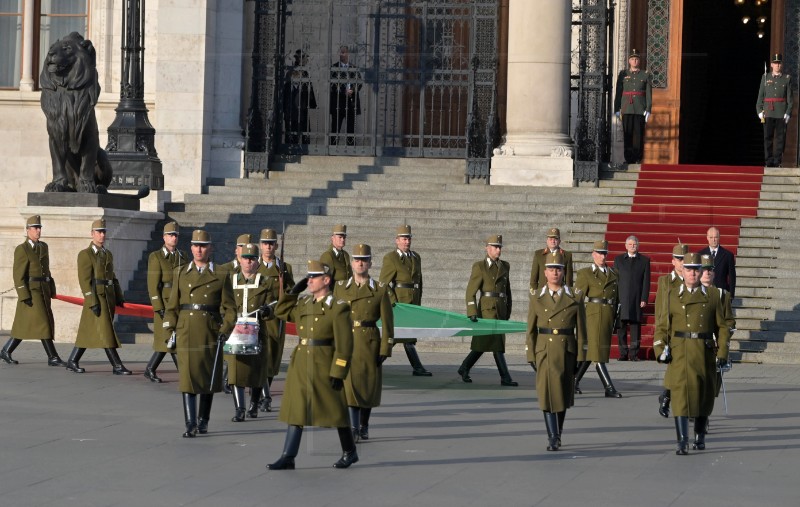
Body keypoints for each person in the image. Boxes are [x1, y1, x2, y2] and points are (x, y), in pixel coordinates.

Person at [268, 260, 358, 470]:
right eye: (308, 277)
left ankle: (350, 451)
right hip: (301, 364)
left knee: (336, 410)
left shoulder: (338, 308)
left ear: (326, 280)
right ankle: (288, 456)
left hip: (324, 364)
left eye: (313, 277)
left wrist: (339, 370)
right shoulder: (304, 304)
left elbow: (345, 345)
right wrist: (293, 291)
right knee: (296, 410)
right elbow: (281, 311)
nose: (309, 280)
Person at [652, 253, 730, 455]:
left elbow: (721, 327)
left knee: (704, 396)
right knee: (679, 396)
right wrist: (660, 349)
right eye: (689, 269)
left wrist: (722, 351)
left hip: (703, 351)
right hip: (680, 351)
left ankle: (699, 436)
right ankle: (681, 441)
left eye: (696, 269)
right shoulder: (672, 295)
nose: (693, 273)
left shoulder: (712, 296)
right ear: (683, 271)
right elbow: (662, 326)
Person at [162, 229, 235, 438]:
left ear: (210, 248)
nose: (199, 249)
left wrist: (225, 329)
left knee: (206, 378)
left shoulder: (221, 273)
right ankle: (190, 423)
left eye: (203, 245)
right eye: (195, 245)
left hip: (210, 331)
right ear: (191, 247)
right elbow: (172, 305)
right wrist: (169, 329)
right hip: (186, 330)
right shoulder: (180, 272)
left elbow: (230, 307)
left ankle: (204, 420)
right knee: (187, 377)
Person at [526, 251, 586, 451]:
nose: (555, 273)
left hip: (566, 350)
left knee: (562, 395)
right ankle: (552, 436)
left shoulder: (575, 297)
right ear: (545, 272)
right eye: (551, 269)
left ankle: (558, 432)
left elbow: (582, 330)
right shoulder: (536, 297)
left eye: (558, 269)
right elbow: (531, 329)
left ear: (563, 272)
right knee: (546, 394)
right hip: (544, 350)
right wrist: (530, 354)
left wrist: (581, 355)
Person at [333, 244, 393, 441]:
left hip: (369, 342)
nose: (360, 263)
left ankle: (363, 425)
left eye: (364, 260)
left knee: (368, 387)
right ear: (351, 263)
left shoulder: (380, 290)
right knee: (349, 386)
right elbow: (333, 317)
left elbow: (387, 321)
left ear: (370, 263)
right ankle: (353, 427)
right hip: (347, 341)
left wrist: (386, 346)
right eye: (357, 259)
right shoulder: (341, 288)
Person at [66, 218, 132, 375]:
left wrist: (119, 296)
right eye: (99, 232)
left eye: (104, 232)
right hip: (97, 298)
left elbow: (112, 277)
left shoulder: (107, 254)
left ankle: (72, 360)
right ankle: (117, 365)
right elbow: (85, 281)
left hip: (107, 297)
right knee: (106, 331)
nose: (102, 235)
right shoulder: (85, 254)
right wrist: (92, 300)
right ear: (92, 234)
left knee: (87, 332)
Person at [2, 215, 65, 366]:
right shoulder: (22, 249)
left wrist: (51, 289)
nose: (38, 231)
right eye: (35, 228)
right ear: (28, 230)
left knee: (25, 325)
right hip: (32, 291)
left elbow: (47, 270)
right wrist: (24, 294)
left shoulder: (43, 246)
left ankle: (6, 350)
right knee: (44, 322)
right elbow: (18, 275)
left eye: (39, 228)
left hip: (43, 290)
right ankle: (53, 357)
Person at [458, 234, 517, 387]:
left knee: (484, 344)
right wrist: (472, 311)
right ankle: (505, 377)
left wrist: (508, 309)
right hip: (486, 309)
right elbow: (470, 291)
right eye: (495, 247)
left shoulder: (505, 266)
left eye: (499, 247)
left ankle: (464, 367)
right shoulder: (480, 266)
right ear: (487, 248)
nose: (498, 250)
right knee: (496, 343)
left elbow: (508, 290)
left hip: (501, 309)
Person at [226, 243, 274, 422]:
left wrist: (267, 311)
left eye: (252, 258)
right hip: (236, 331)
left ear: (257, 261)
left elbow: (272, 305)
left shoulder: (265, 282)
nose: (248, 262)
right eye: (245, 258)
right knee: (235, 371)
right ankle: (239, 409)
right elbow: (225, 304)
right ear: (240, 259)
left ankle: (254, 404)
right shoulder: (230, 281)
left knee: (257, 371)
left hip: (258, 331)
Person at [379, 225, 432, 376]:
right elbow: (383, 283)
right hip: (399, 303)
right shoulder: (391, 258)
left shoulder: (416, 257)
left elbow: (419, 282)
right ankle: (374, 363)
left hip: (413, 302)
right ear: (397, 241)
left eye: (408, 238)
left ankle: (417, 367)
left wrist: (418, 302)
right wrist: (393, 300)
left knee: (407, 335)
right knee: (396, 336)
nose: (406, 242)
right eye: (403, 239)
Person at [574, 240, 622, 397]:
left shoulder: (614, 273)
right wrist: (577, 319)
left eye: (604, 253)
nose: (602, 256)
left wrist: (617, 318)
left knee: (593, 352)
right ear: (593, 254)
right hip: (593, 316)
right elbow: (578, 298)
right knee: (598, 354)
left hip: (608, 315)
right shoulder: (586, 273)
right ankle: (609, 387)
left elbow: (618, 299)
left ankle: (573, 381)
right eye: (599, 253)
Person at [144, 221, 188, 383]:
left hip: (179, 302)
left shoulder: (182, 256)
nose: (174, 238)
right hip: (165, 302)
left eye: (176, 235)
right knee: (168, 338)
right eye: (170, 235)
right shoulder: (156, 257)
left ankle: (150, 368)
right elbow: (153, 285)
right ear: (164, 237)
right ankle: (182, 372)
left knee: (171, 338)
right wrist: (158, 307)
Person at [257, 228, 295, 412]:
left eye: (271, 243)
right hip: (258, 318)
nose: (268, 247)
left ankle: (263, 393)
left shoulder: (284, 267)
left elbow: (291, 292)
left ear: (276, 246)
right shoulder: (254, 266)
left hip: (275, 319)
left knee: (272, 360)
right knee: (261, 358)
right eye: (265, 243)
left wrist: (284, 289)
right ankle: (265, 397)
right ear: (260, 245)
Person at [653, 243, 688, 417]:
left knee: (681, 369)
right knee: (676, 367)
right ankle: (667, 398)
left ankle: (667, 397)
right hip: (671, 329)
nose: (682, 263)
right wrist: (660, 330)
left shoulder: (691, 281)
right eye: (679, 259)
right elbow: (660, 307)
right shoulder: (666, 281)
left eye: (684, 259)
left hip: (686, 329)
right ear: (673, 261)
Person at [614, 235, 651, 361]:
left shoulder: (644, 261)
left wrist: (644, 298)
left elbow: (646, 282)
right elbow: (615, 280)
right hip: (622, 298)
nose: (632, 246)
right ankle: (623, 353)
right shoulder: (618, 260)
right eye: (630, 244)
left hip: (637, 299)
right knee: (621, 328)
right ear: (625, 246)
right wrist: (615, 298)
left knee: (635, 328)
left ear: (638, 245)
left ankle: (634, 354)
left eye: (634, 244)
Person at [614, 49, 653, 164]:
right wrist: (617, 109)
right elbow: (619, 92)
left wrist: (648, 109)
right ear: (629, 61)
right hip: (627, 107)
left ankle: (638, 158)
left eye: (636, 59)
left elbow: (649, 94)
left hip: (640, 108)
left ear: (639, 61)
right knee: (627, 133)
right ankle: (628, 157)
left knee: (639, 134)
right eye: (632, 59)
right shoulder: (623, 74)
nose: (634, 61)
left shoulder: (645, 75)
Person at [756, 53, 793, 167]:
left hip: (781, 113)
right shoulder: (765, 77)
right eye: (775, 63)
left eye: (779, 63)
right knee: (768, 138)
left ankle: (777, 161)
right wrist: (759, 110)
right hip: (768, 111)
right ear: (771, 65)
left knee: (780, 138)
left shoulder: (787, 79)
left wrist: (788, 112)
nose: (777, 65)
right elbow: (760, 96)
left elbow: (790, 99)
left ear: (781, 65)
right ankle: (768, 161)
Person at [329, 45, 362, 146]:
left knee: (351, 129)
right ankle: (333, 148)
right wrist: (344, 91)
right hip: (338, 103)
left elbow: (359, 82)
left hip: (351, 103)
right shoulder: (334, 68)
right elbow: (332, 84)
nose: (341, 54)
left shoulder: (354, 68)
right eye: (340, 52)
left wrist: (352, 90)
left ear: (348, 54)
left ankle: (350, 148)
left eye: (343, 52)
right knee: (335, 128)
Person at [283, 49, 317, 145]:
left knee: (304, 128)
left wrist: (311, 103)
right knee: (292, 128)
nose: (305, 60)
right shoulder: (290, 72)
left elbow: (309, 89)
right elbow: (286, 90)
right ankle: (290, 146)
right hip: (292, 106)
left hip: (302, 106)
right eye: (303, 57)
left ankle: (304, 147)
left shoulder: (305, 73)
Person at [698, 227, 736, 297]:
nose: (713, 240)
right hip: (704, 293)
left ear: (719, 237)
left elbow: (732, 277)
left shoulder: (728, 255)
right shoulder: (700, 255)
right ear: (707, 238)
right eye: (711, 237)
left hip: (721, 293)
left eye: (716, 237)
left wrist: (731, 295)